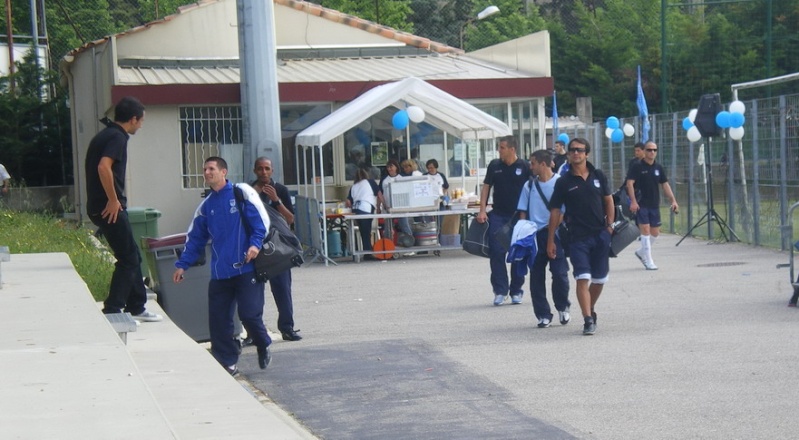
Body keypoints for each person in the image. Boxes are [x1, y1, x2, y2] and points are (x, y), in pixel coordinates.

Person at [172, 157, 272, 376]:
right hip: (220, 273)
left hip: (246, 269)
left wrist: (255, 245)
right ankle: (227, 362)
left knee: (249, 315)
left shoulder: (241, 193)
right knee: (219, 322)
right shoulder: (206, 206)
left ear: (224, 172)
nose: (207, 172)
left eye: (211, 169)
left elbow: (261, 223)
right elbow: (196, 238)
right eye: (205, 169)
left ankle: (263, 342)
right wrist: (182, 265)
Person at [84, 96, 162, 322]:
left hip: (100, 207)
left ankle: (137, 307)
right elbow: (103, 167)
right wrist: (113, 199)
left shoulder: (105, 135)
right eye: (142, 121)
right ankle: (113, 309)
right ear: (133, 119)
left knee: (132, 256)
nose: (142, 125)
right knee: (128, 258)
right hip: (109, 208)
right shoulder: (118, 137)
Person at [547, 138, 614, 335]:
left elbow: (608, 201)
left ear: (587, 154)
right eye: (572, 150)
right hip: (577, 237)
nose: (576, 153)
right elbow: (555, 212)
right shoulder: (563, 182)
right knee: (582, 277)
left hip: (600, 235)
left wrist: (609, 226)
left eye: (580, 150)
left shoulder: (598, 175)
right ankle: (587, 319)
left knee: (600, 279)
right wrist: (551, 239)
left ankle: (589, 308)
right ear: (567, 154)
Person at [517, 149, 570, 327]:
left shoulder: (560, 183)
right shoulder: (529, 185)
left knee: (560, 273)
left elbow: (564, 210)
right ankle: (543, 314)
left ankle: (563, 306)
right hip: (535, 235)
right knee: (536, 276)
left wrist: (552, 229)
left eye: (532, 163)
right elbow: (522, 210)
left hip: (555, 233)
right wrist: (523, 233)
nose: (530, 167)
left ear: (543, 164)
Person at [476, 135, 531, 306]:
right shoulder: (494, 166)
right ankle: (500, 290)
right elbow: (486, 188)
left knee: (518, 253)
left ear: (512, 149)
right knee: (497, 252)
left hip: (519, 216)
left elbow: (532, 190)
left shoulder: (525, 166)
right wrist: (482, 210)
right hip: (498, 215)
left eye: (502, 147)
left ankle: (516, 290)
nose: (499, 150)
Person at [252, 157, 302, 341]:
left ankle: (287, 328)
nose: (263, 172)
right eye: (260, 169)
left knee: (282, 288)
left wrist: (276, 200)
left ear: (272, 170)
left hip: (278, 246)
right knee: (252, 292)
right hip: (255, 246)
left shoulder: (280, 190)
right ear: (255, 171)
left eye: (267, 168)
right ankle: (253, 331)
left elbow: (290, 219)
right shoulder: (248, 191)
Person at [626, 140, 678, 271]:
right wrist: (633, 201)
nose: (652, 152)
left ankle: (641, 252)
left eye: (654, 150)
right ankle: (648, 261)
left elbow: (665, 185)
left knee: (655, 233)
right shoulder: (637, 166)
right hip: (641, 203)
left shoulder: (658, 168)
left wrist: (673, 200)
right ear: (644, 151)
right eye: (649, 150)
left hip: (654, 204)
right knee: (645, 231)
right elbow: (629, 183)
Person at [346, 167, 380, 260]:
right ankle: (368, 253)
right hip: (366, 208)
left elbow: (348, 202)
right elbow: (379, 194)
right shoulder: (371, 182)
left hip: (356, 210)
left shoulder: (353, 186)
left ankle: (367, 251)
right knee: (367, 231)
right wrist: (382, 205)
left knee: (363, 232)